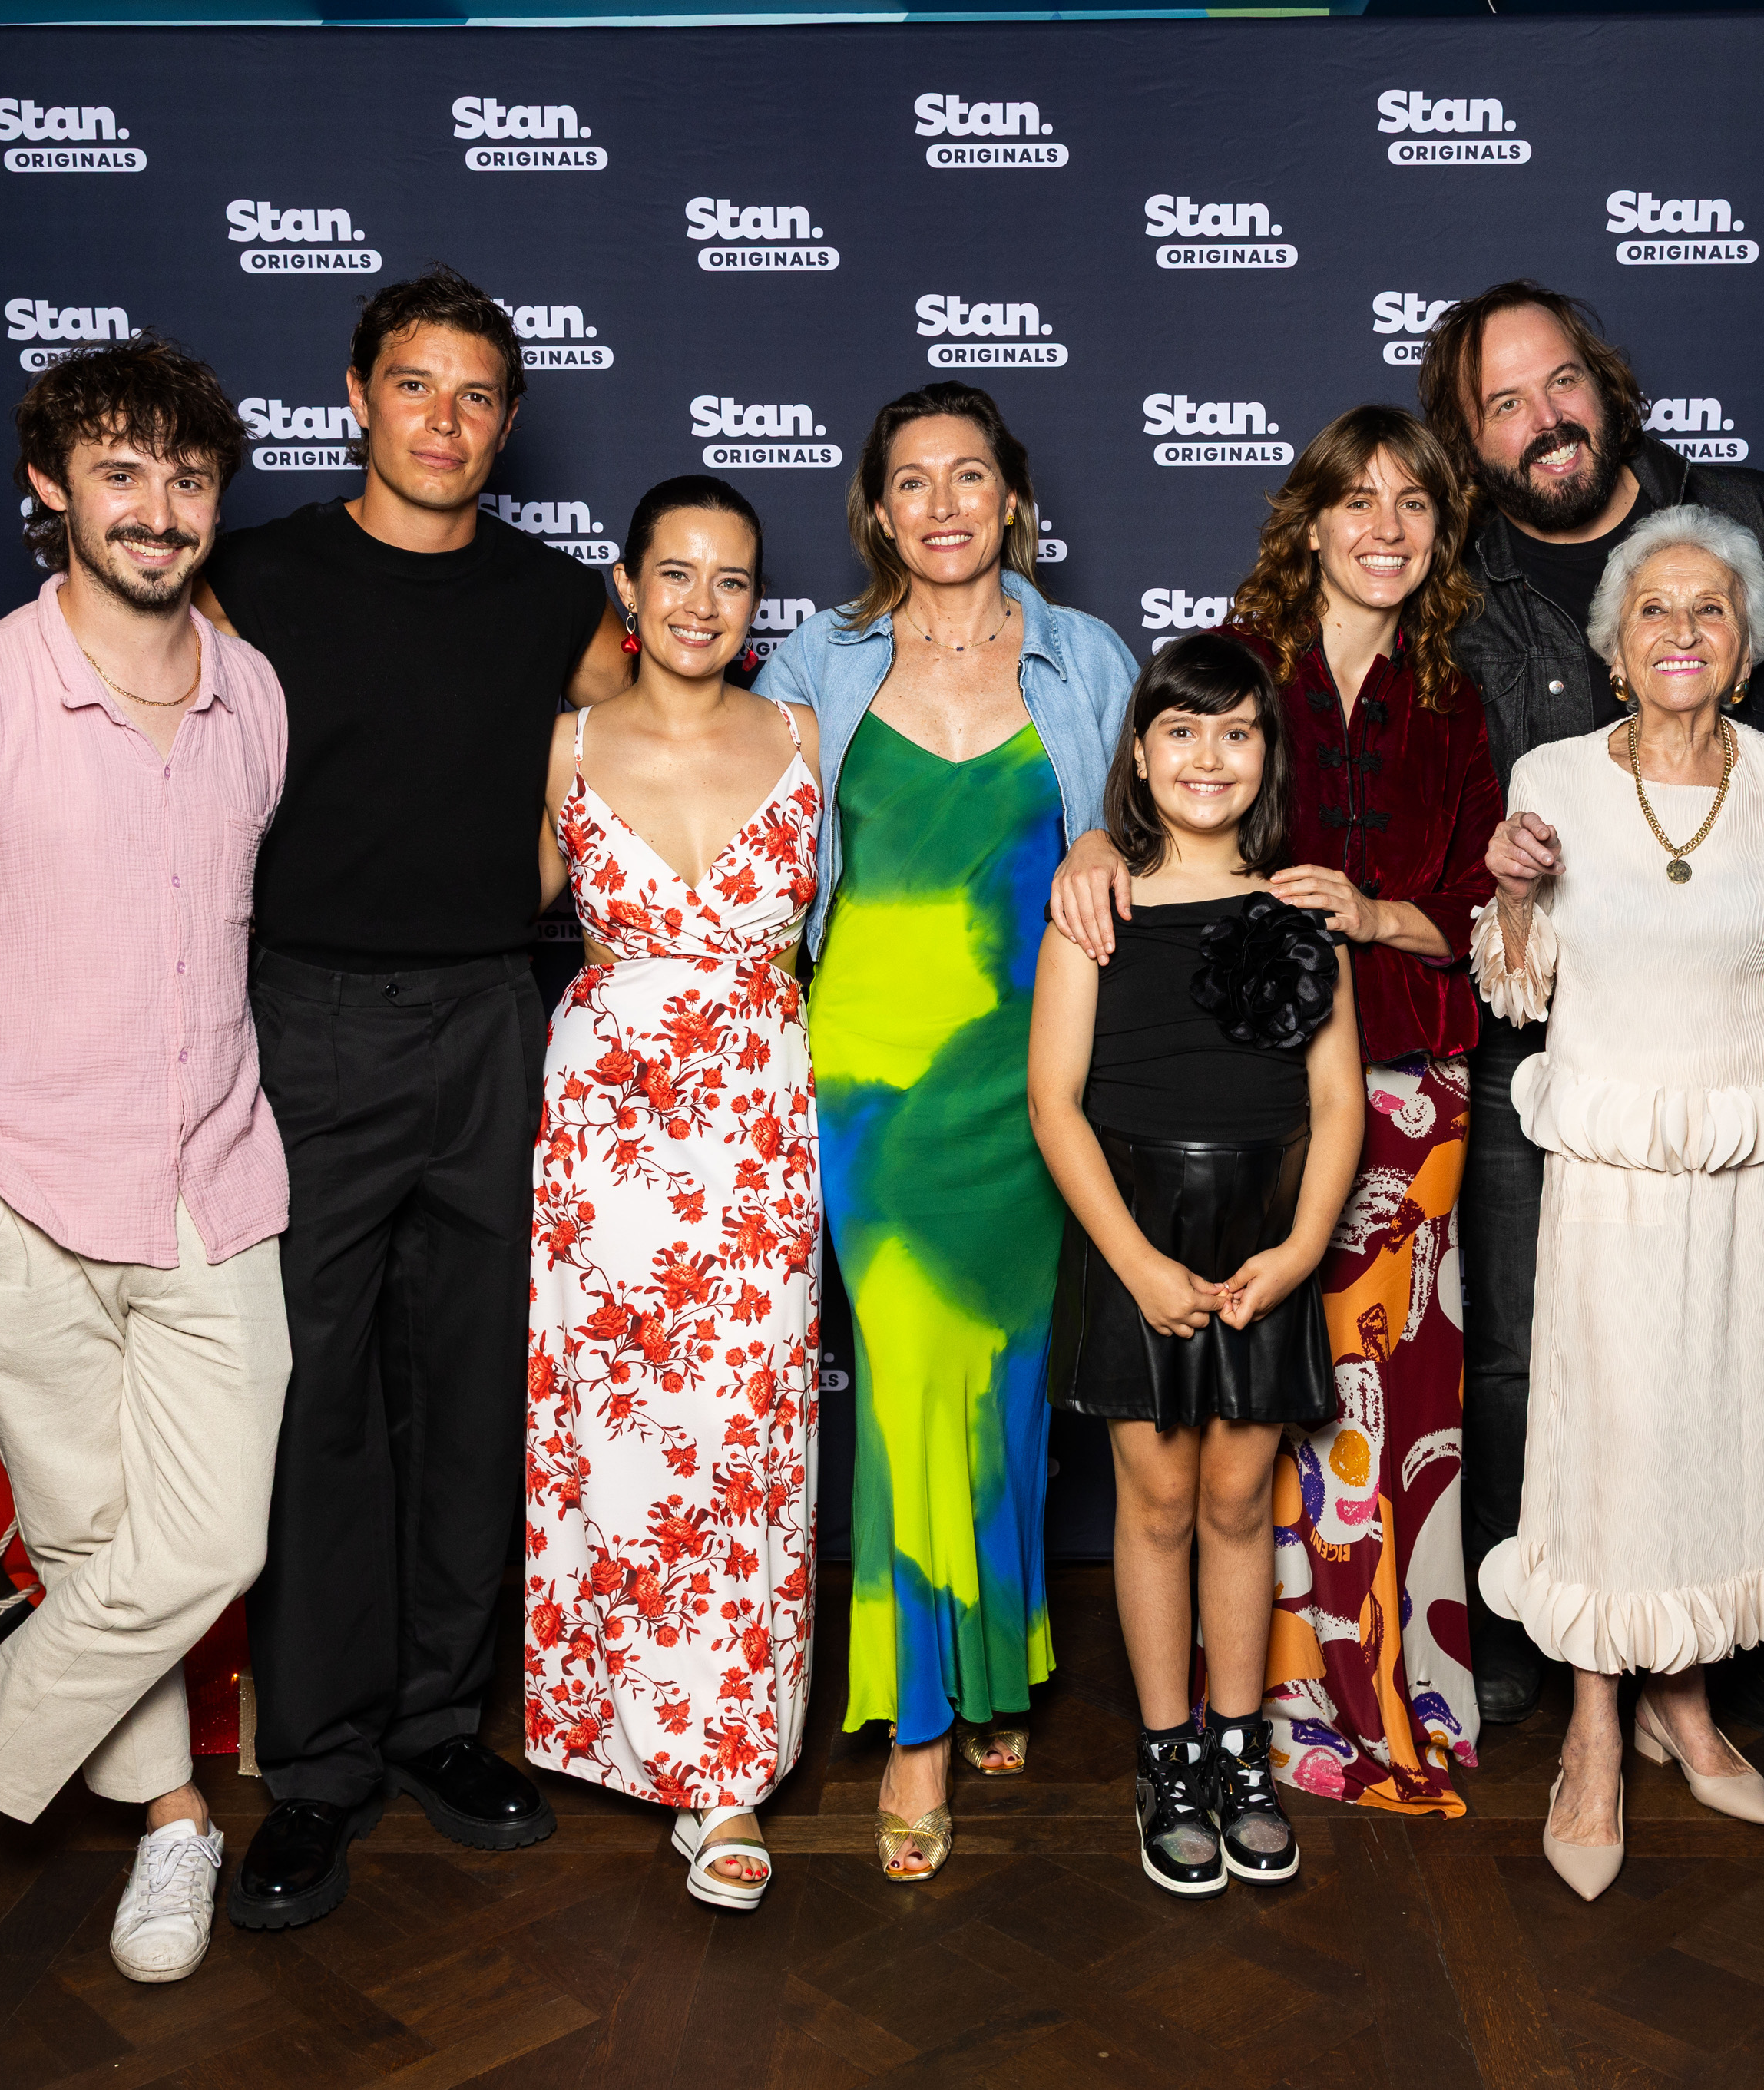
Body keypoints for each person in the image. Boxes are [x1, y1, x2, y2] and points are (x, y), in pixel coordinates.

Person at [0, 265, 635, 1929]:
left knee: (470, 1386)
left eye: (476, 393)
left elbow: (679, 711)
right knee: (314, 1409)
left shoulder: (561, 598)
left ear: (509, 419)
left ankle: (442, 1721)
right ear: (356, 396)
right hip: (299, 1026)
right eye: (413, 384)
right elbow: (85, 641)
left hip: (494, 1018)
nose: (443, 419)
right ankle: (321, 1763)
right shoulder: (244, 579)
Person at [0, 341, 290, 1986]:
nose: (158, 510)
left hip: (215, 1186)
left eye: (188, 477)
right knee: (92, 1555)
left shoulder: (251, 695)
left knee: (203, 1545)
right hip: (19, 1195)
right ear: (50, 487)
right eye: (119, 472)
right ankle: (175, 1820)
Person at [1415, 280, 1764, 1790]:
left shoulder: (1747, 522)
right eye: (1502, 403)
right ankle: (1555, 1639)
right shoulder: (1465, 577)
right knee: (1537, 1359)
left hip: (1734, 1052)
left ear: (1606, 383)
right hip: (1561, 1043)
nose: (1543, 420)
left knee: (1741, 1368)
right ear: (1471, 440)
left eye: (1559, 382)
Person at [1048, 407, 1500, 1814]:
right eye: (1357, 498)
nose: (1385, 527)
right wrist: (1089, 840)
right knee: (1198, 1479)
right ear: (1309, 520)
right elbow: (1136, 790)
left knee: (1363, 1424)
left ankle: (1360, 1705)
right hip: (1190, 1141)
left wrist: (1372, 912)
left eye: (1414, 502)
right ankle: (1215, 1732)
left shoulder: (1456, 694)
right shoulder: (1242, 663)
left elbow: (1486, 918)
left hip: (1375, 1098)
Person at [1475, 505, 1764, 1899]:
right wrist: (1515, 896)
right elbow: (1518, 988)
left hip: (1745, 1173)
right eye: (1652, 609)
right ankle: (1594, 1732)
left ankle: (1686, 1698)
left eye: (1708, 608)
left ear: (1746, 646)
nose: (1680, 629)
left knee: (1719, 1436)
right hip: (1610, 1167)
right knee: (1611, 1445)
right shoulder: (1553, 774)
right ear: (1615, 647)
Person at [756, 382, 1137, 1879]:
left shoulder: (1088, 657)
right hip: (873, 1081)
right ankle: (920, 1723)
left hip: (1035, 1078)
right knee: (911, 1385)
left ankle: (998, 1655)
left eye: (968, 475)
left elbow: (1159, 832)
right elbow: (730, 810)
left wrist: (1109, 834)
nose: (942, 505)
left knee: (1009, 1389)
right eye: (910, 481)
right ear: (876, 510)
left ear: (1012, 497)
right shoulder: (817, 658)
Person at [523, 477, 822, 1911]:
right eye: (678, 573)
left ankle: (730, 1765)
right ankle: (640, 1736)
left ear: (757, 603)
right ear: (628, 589)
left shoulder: (805, 732)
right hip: (607, 1139)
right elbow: (478, 906)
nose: (704, 603)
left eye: (734, 579)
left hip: (758, 1131)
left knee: (747, 1435)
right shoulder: (566, 743)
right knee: (619, 1434)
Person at [1030, 633, 1362, 1898]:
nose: (1207, 756)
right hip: (1138, 1237)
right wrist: (1136, 1264)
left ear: (1267, 756)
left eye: (1236, 732)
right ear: (1137, 752)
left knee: (1236, 1498)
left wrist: (1299, 1250)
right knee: (1158, 1499)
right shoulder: (1094, 910)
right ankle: (1167, 1755)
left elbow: (1337, 1103)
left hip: (1264, 1240)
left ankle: (1239, 1746)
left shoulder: (1303, 914)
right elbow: (1055, 1103)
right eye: (1181, 730)